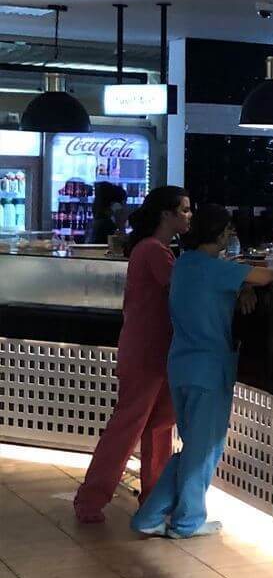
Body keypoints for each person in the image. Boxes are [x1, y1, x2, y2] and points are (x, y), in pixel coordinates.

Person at [130, 206, 273, 539]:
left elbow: (228, 282)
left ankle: (150, 516)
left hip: (182, 365)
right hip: (209, 369)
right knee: (204, 450)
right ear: (222, 234)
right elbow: (269, 277)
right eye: (229, 232)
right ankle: (187, 521)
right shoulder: (215, 269)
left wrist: (241, 285)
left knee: (194, 447)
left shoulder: (184, 264)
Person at [73, 187, 191, 523]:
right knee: (130, 427)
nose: (189, 216)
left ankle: (153, 500)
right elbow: (183, 290)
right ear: (166, 214)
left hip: (156, 349)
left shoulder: (155, 249)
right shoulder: (154, 250)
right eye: (184, 210)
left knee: (157, 426)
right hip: (148, 351)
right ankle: (91, 499)